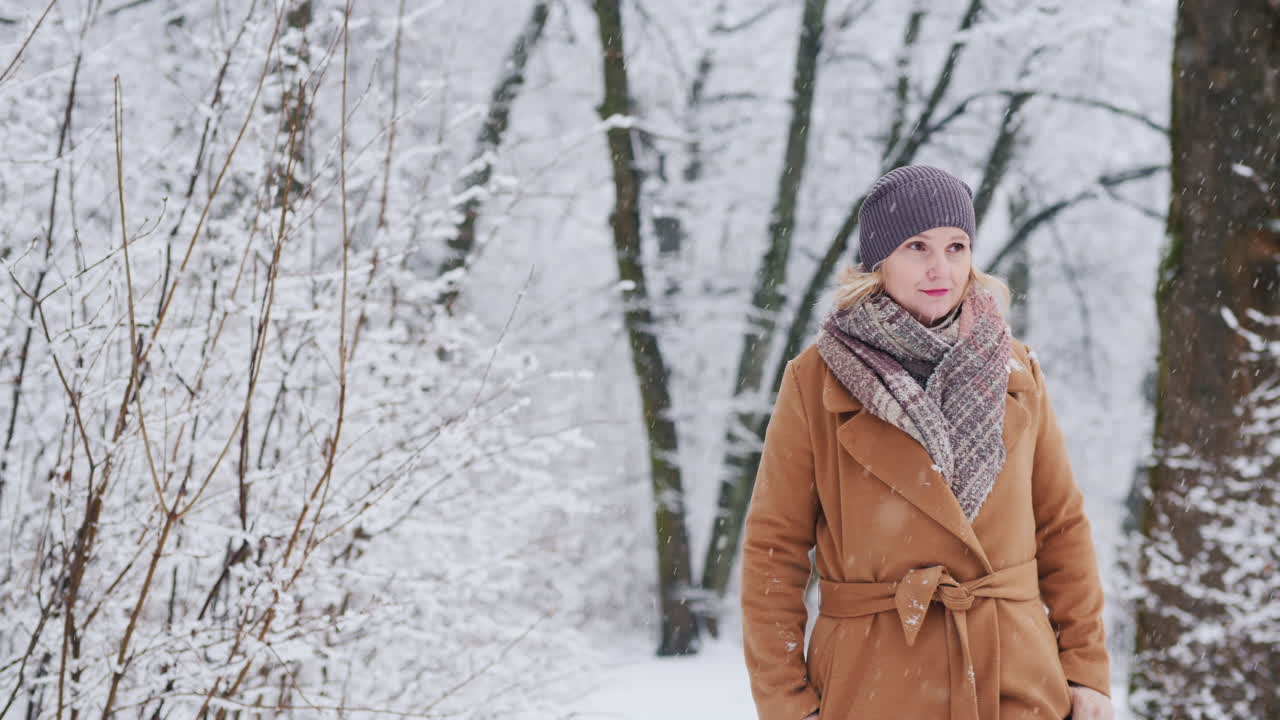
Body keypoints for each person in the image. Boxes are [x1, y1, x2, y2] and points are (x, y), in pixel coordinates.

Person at [740, 165, 1113, 720]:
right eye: (917, 247)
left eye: (956, 246)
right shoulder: (815, 379)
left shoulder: (1016, 370)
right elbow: (775, 549)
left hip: (1013, 673)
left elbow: (1062, 527)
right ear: (879, 260)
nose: (942, 267)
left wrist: (1086, 670)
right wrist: (786, 702)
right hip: (871, 680)